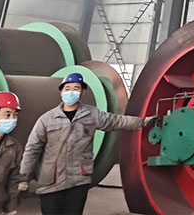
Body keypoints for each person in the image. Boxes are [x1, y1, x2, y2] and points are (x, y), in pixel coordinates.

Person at [20, 73, 156, 215]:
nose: (71, 92)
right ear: (61, 92)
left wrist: (142, 122)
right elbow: (32, 149)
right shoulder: (47, 119)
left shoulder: (91, 114)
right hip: (51, 181)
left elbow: (116, 121)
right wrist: (24, 177)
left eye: (76, 88)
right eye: (67, 88)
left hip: (78, 180)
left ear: (82, 92)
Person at [0, 92, 23, 215]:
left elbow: (14, 180)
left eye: (15, 115)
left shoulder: (14, 146)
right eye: (7, 114)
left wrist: (11, 208)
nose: (12, 119)